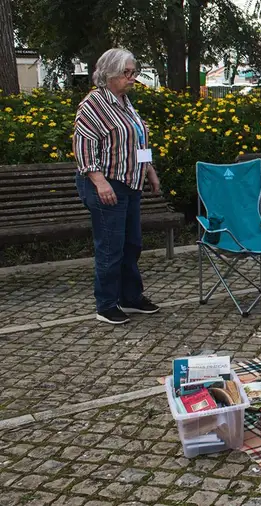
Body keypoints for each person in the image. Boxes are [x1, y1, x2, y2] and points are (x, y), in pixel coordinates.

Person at [73, 48, 161, 325]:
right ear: (109, 74)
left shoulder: (124, 102)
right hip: (106, 184)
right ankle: (106, 303)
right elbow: (84, 149)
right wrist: (99, 182)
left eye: (134, 72)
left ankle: (130, 297)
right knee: (110, 247)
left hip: (131, 182)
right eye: (127, 73)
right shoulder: (94, 105)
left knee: (132, 244)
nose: (133, 78)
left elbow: (138, 140)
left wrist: (150, 169)